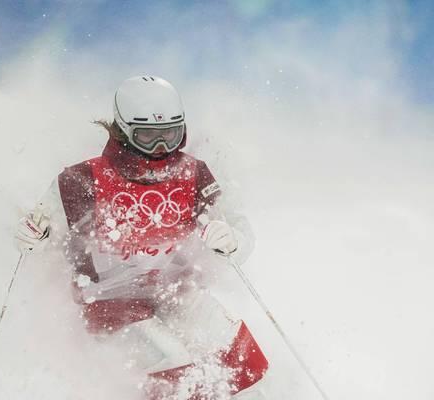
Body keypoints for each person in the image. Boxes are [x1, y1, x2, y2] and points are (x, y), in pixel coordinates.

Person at [16, 76, 268, 399]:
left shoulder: (194, 175)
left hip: (173, 290)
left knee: (241, 358)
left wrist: (233, 240)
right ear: (123, 132)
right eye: (148, 137)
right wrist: (33, 236)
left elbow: (238, 228)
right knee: (176, 365)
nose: (161, 149)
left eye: (171, 136)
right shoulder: (82, 181)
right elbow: (41, 232)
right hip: (109, 302)